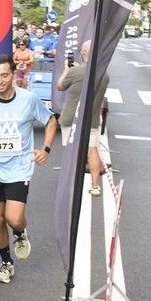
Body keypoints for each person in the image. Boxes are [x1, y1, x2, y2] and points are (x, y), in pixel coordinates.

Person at [0, 56, 58, 284]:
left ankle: (19, 232)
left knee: (13, 218)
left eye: (4, 75)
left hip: (18, 168)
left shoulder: (28, 99)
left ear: (13, 74)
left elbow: (51, 120)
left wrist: (45, 149)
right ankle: (6, 263)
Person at [57, 40, 109, 196]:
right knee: (93, 151)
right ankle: (94, 186)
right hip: (92, 119)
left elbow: (60, 86)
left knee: (72, 152)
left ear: (85, 53)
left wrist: (67, 70)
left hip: (71, 118)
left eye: (81, 51)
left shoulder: (76, 72)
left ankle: (72, 185)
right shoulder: (104, 73)